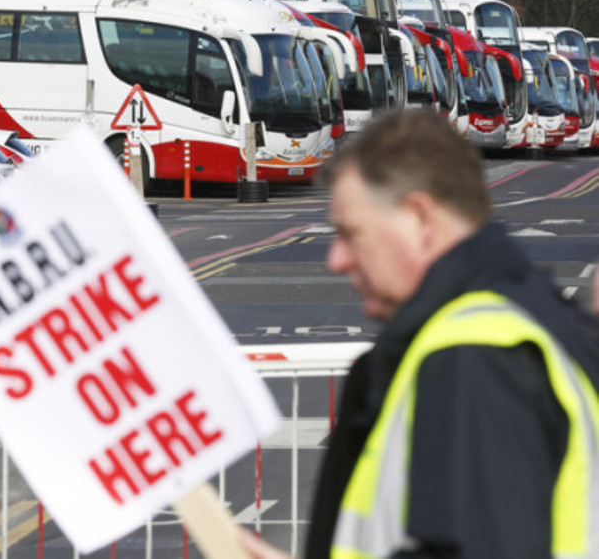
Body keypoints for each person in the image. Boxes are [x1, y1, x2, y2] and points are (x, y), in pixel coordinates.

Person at [241, 107, 599, 559]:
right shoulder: (529, 320)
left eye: (352, 234)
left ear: (420, 219)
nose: (336, 260)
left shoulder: (475, 360)